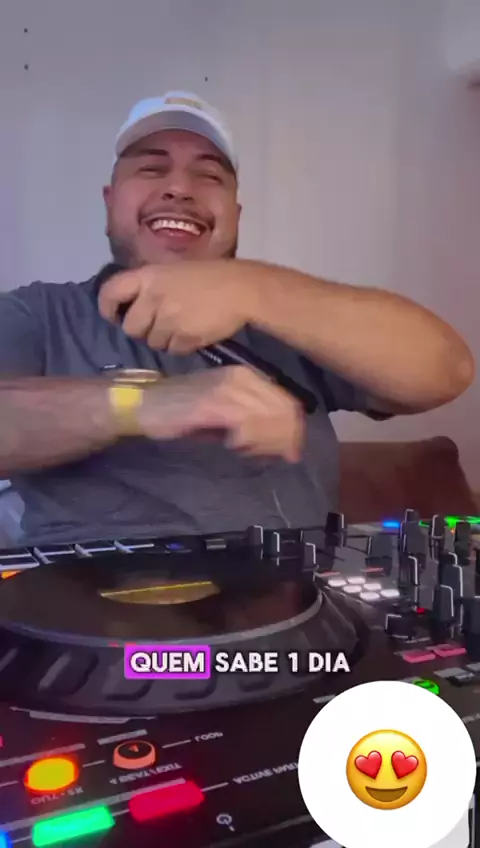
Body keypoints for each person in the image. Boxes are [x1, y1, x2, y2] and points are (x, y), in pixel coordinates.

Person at [0, 91, 474, 547]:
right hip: (92, 597)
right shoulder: (38, 312)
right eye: (151, 168)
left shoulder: (285, 318)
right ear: (110, 202)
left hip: (295, 596)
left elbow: (445, 371)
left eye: (209, 175)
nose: (179, 188)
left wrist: (253, 289)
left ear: (235, 213)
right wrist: (141, 402)